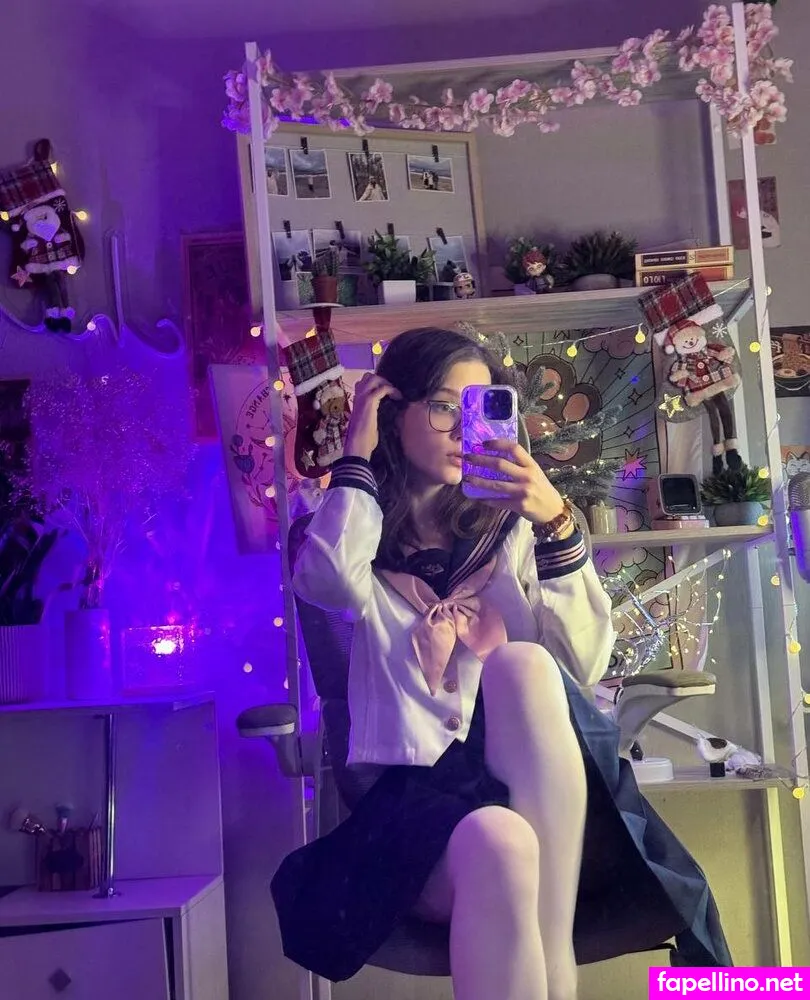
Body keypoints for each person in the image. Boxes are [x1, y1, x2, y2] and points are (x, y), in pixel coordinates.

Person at [271, 328, 732, 999]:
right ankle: (556, 975)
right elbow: (331, 584)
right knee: (501, 841)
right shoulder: (351, 524)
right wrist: (355, 456)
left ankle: (555, 964)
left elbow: (582, 663)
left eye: (477, 408)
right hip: (416, 802)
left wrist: (555, 522)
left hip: (530, 782)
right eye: (442, 407)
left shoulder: (510, 529)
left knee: (525, 668)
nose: (464, 430)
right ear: (392, 411)